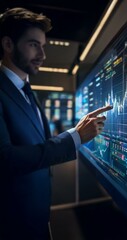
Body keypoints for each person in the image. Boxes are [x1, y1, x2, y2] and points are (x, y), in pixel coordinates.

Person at [0, 7, 113, 240]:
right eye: (33, 44)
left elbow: (37, 146)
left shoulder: (26, 91)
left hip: (37, 217)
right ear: (8, 45)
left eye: (43, 46)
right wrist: (75, 137)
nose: (42, 54)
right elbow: (5, 159)